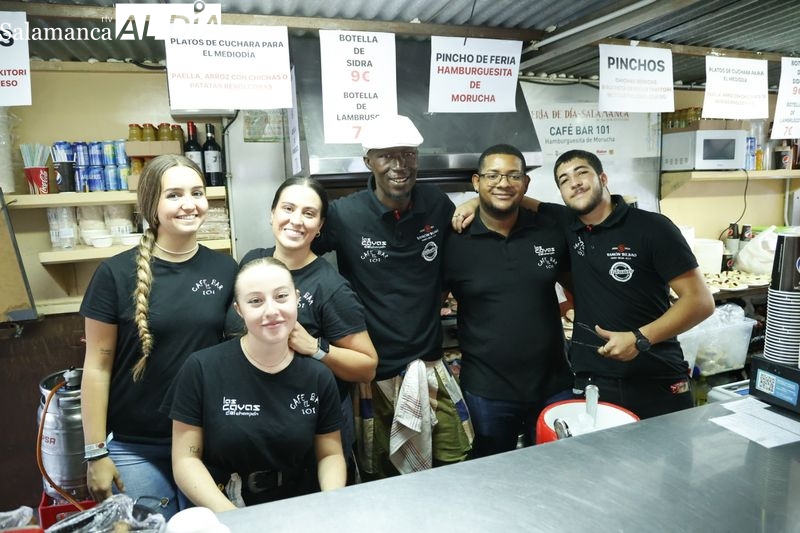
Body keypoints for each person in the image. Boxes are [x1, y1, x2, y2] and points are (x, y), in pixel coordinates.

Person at [453, 149, 714, 419]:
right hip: (592, 381)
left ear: (602, 177)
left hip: (655, 375)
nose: (574, 183)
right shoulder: (564, 224)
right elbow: (512, 198)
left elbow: (700, 301)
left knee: (668, 458)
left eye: (582, 173)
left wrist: (639, 339)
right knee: (596, 461)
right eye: (564, 180)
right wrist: (473, 203)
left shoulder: (652, 227)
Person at [313, 114, 473, 479]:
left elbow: (455, 263)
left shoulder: (437, 205)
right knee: (381, 476)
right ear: (369, 161)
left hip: (430, 366)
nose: (399, 166)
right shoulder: (344, 214)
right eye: (387, 155)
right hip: (373, 374)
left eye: (407, 154)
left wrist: (473, 204)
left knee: (456, 462)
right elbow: (303, 258)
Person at [80, 155, 238, 518]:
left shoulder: (226, 268)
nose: (189, 204)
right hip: (135, 447)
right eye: (174, 195)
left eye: (197, 192)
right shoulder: (114, 275)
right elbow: (97, 366)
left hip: (204, 442)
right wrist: (95, 452)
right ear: (151, 205)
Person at [167, 257, 346, 511]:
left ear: (296, 298)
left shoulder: (318, 376)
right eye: (255, 301)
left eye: (281, 296)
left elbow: (330, 454)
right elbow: (186, 460)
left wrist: (331, 504)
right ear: (239, 309)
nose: (271, 311)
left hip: (300, 507)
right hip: (226, 508)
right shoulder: (202, 369)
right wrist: (235, 519)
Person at [235, 177, 378, 480]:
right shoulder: (251, 263)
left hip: (314, 437)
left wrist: (315, 347)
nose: (296, 220)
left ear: (320, 225)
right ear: (272, 214)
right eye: (288, 208)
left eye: (309, 213)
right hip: (255, 424)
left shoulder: (330, 286)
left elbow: (367, 367)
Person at [443, 144, 573, 457]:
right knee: (491, 477)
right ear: (476, 182)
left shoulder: (549, 229)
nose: (504, 183)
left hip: (554, 384)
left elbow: (578, 289)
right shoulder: (454, 239)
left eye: (514, 176)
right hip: (488, 391)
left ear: (526, 184)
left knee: (558, 470)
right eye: (493, 176)